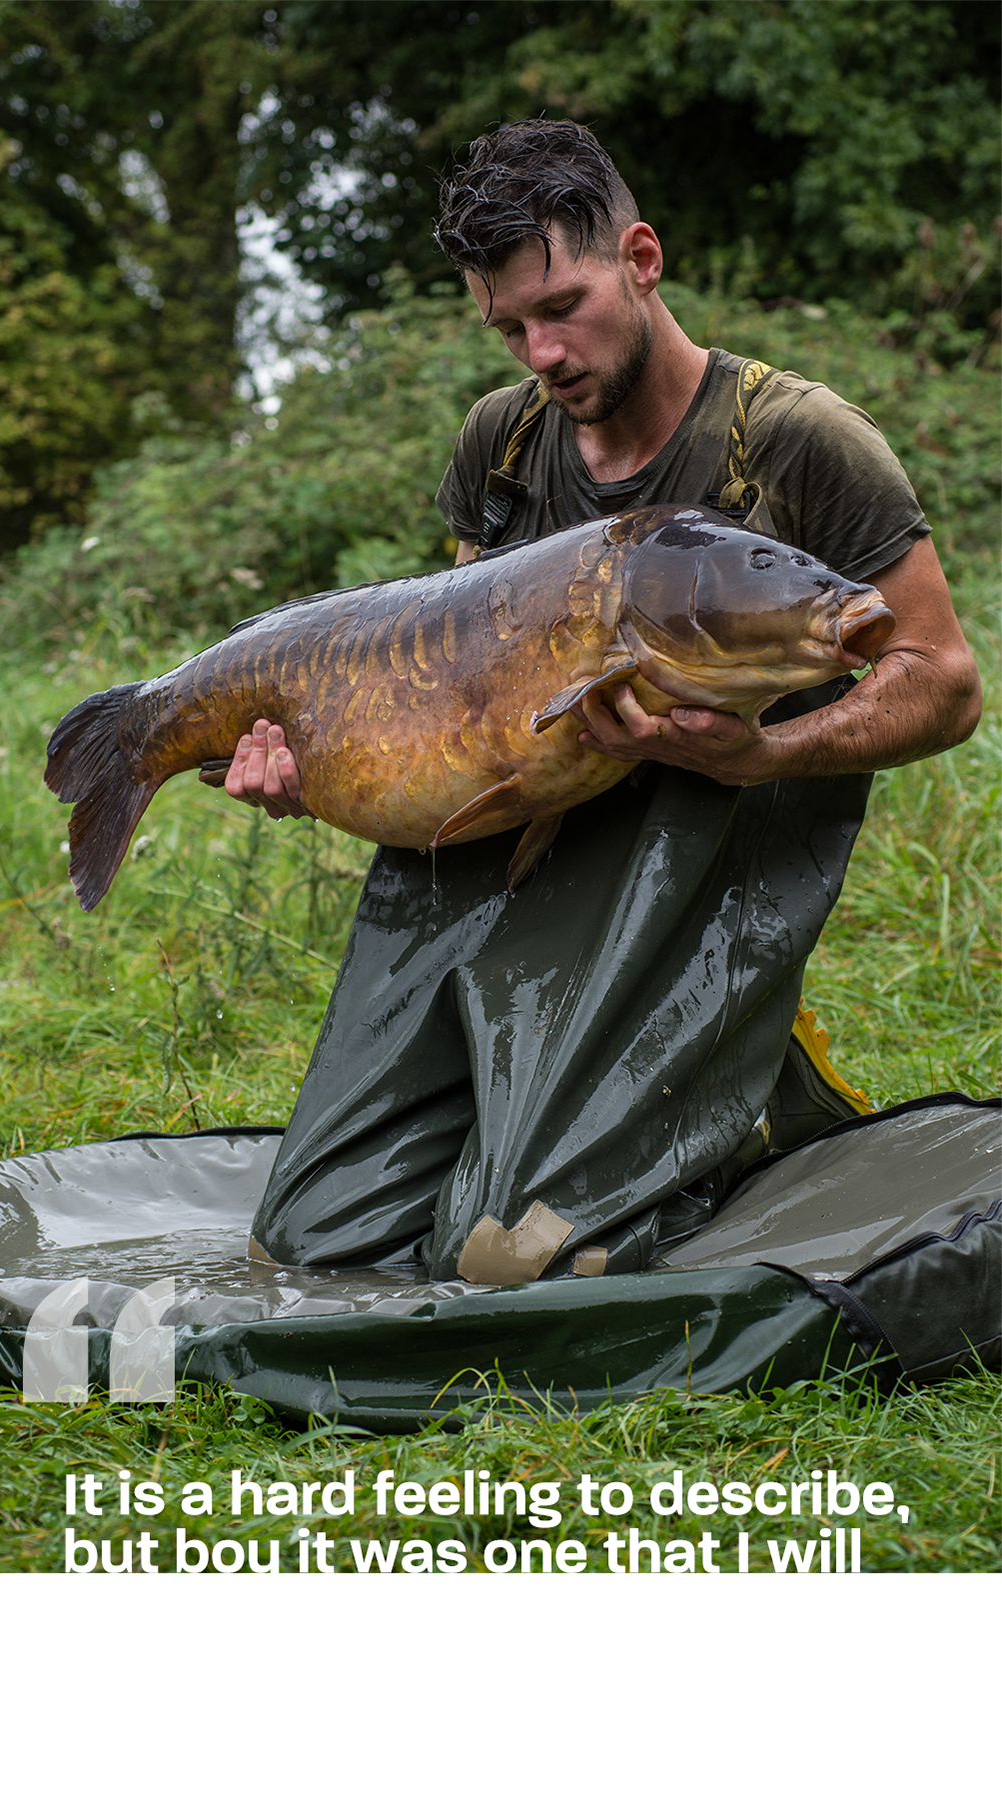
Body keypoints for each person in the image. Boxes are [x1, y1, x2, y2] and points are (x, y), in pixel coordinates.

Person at [228, 120, 980, 1283]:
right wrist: (325, 769)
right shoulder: (503, 442)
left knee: (508, 1256)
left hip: (693, 871)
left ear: (638, 257)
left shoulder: (794, 442)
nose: (540, 349)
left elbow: (942, 681)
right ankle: (638, 1095)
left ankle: (737, 1093)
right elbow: (450, 677)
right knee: (313, 1239)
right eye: (509, 326)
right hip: (513, 856)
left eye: (561, 304)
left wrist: (762, 757)